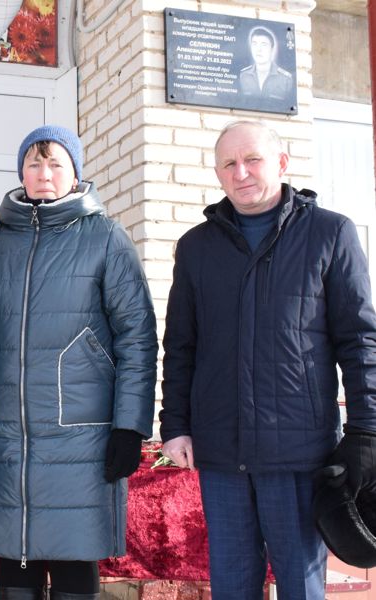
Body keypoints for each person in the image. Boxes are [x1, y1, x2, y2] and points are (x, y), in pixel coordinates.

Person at [160, 120, 376, 599]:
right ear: (218, 174)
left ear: (280, 163)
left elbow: (360, 341)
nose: (241, 173)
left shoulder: (329, 234)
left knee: (301, 585)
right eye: (229, 164)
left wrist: (367, 430)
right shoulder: (197, 248)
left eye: (252, 159)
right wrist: (174, 424)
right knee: (232, 587)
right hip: (221, 453)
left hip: (298, 453)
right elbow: (180, 346)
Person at [0, 125, 158, 600]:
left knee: (73, 554)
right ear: (20, 172)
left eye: (55, 163)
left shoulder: (105, 238)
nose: (43, 173)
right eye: (34, 162)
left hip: (82, 435)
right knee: (14, 551)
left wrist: (130, 427)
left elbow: (138, 336)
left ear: (75, 173)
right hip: (3, 431)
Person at [239, 26, 294, 100]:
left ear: (272, 49)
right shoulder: (243, 76)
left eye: (264, 44)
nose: (258, 49)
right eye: (254, 44)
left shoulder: (285, 79)